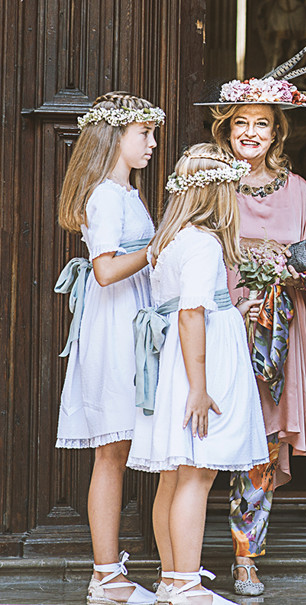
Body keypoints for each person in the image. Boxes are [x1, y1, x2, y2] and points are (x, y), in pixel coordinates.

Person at [203, 54, 306, 595]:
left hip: (281, 337)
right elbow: (188, 259)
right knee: (205, 437)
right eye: (241, 122)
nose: (251, 133)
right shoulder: (210, 187)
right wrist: (237, 298)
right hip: (222, 328)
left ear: (277, 131)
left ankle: (245, 554)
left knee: (261, 447)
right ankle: (179, 558)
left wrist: (292, 273)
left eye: (262, 123)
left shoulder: (298, 190)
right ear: (226, 129)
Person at [126, 144, 267, 605]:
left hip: (178, 362)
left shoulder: (172, 238)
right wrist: (201, 390)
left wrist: (233, 307)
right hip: (199, 366)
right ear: (218, 192)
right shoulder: (204, 243)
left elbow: (193, 304)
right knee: (197, 475)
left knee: (174, 475)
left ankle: (171, 580)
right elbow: (190, 315)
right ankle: (187, 584)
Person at [54, 92, 164, 605]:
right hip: (115, 325)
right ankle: (104, 574)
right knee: (111, 451)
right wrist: (157, 250)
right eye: (144, 133)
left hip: (133, 321)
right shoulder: (104, 195)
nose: (152, 143)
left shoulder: (129, 192)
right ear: (116, 136)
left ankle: (111, 572)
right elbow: (104, 270)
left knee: (120, 451)